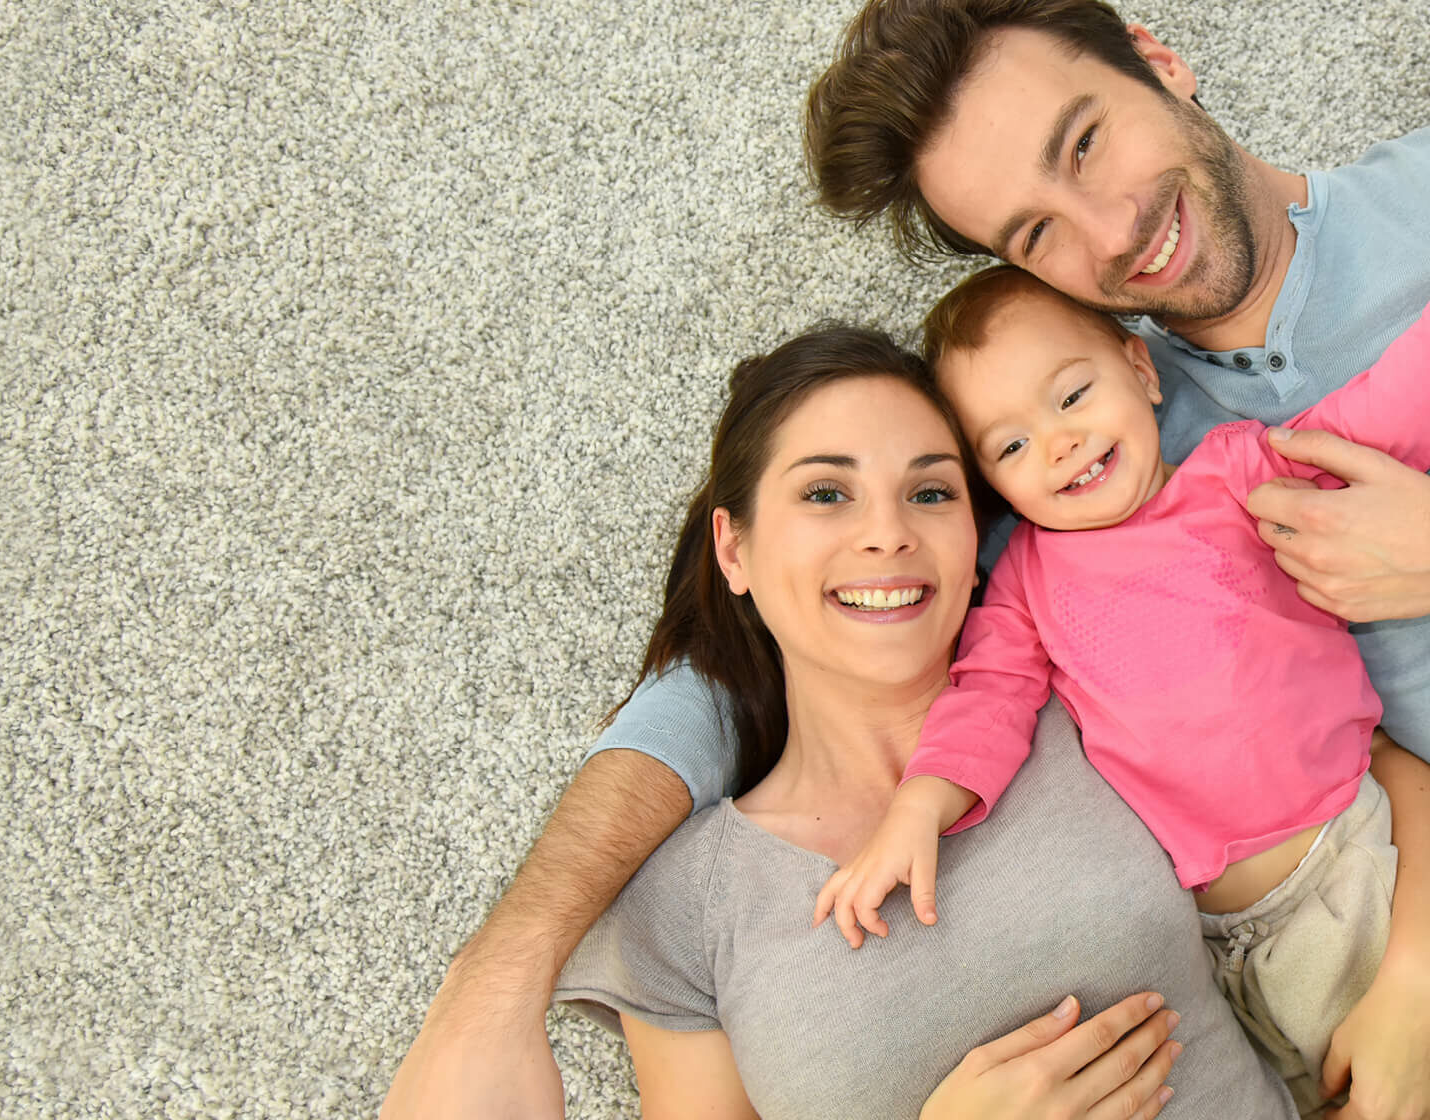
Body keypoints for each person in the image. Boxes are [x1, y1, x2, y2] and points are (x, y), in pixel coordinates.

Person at [380, 5, 1430, 1116]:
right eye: (1033, 234)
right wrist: (495, 982)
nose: (1110, 229)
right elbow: (742, 660)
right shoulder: (1084, 469)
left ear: (1157, 58)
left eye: (1082, 140)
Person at [553, 324, 1295, 1117]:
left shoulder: (1080, 683)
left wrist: (1409, 976)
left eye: (931, 492)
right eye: (826, 493)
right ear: (734, 551)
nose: (889, 533)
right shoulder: (684, 902)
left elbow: (1339, 771)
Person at [812, 266, 1430, 1116]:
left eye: (1071, 396)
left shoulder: (1240, 477)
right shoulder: (1025, 580)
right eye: (1013, 446)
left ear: (1141, 371)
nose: (1059, 444)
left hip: (1347, 866)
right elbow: (987, 697)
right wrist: (919, 805)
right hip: (1221, 952)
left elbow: (1378, 419)